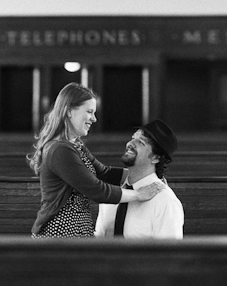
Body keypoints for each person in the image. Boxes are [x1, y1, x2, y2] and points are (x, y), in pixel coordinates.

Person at [28, 83, 165, 238]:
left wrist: (147, 176)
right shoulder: (60, 150)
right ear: (69, 111)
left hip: (79, 231)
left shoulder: (75, 145)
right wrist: (139, 194)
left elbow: (104, 173)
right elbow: (97, 190)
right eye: (89, 112)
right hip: (60, 234)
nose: (94, 119)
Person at [94, 119, 184, 239]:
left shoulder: (165, 201)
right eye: (133, 138)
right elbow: (99, 239)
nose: (130, 144)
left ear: (155, 158)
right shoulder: (112, 191)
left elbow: (169, 255)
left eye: (141, 142)